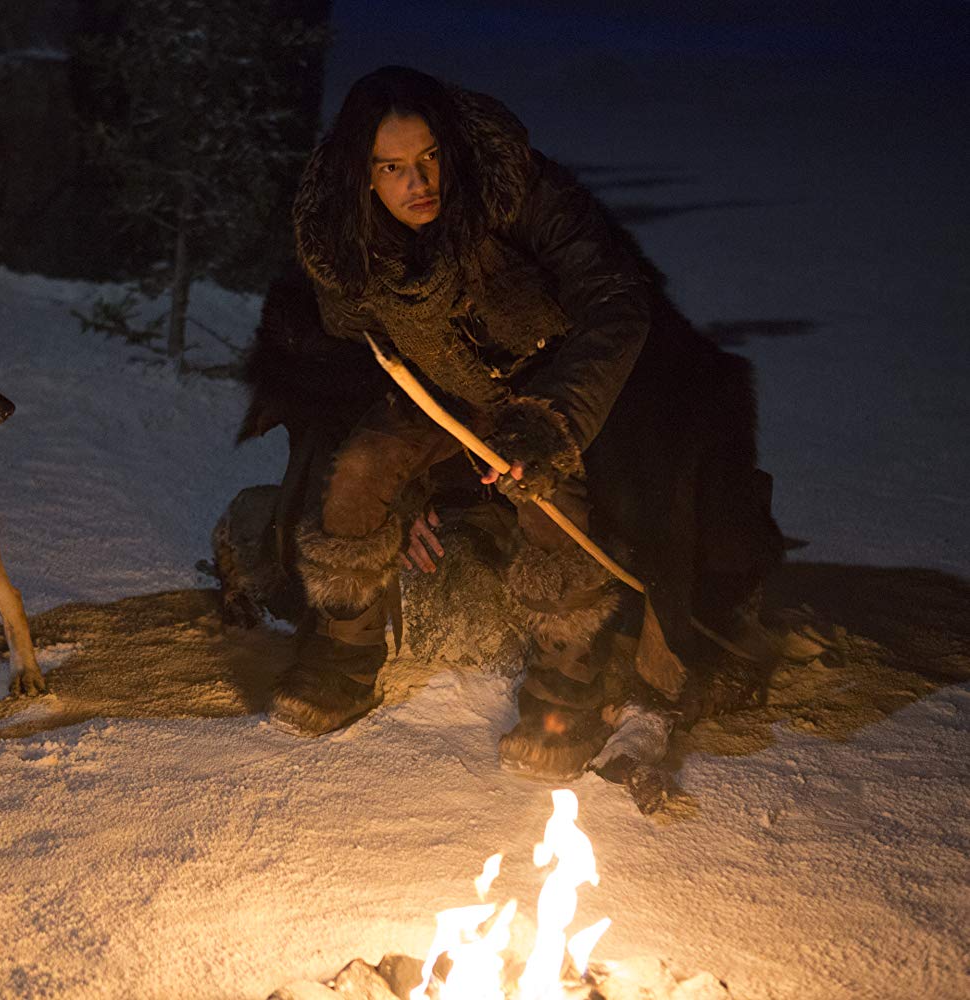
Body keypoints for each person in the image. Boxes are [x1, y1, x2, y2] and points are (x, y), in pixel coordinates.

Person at [237, 66, 783, 779]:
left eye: (429, 158)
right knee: (364, 469)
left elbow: (616, 301)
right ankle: (344, 656)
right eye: (393, 168)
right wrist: (409, 494)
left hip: (559, 388)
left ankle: (566, 683)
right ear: (363, 177)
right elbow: (351, 361)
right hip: (442, 398)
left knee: (551, 501)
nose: (418, 183)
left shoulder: (518, 191)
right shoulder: (342, 239)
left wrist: (551, 424)